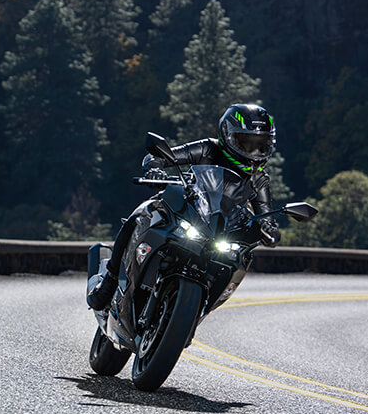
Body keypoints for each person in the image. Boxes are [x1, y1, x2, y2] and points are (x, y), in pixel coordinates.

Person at [87, 103, 281, 310]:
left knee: (238, 261)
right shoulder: (208, 148)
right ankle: (109, 280)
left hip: (220, 235)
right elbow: (160, 156)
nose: (254, 151)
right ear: (228, 135)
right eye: (247, 143)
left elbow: (266, 216)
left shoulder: (259, 180)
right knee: (141, 214)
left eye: (261, 145)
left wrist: (270, 230)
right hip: (187, 212)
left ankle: (198, 309)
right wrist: (155, 169)